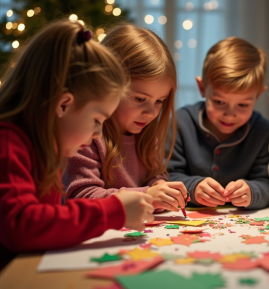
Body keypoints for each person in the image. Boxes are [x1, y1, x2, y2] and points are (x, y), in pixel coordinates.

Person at [0, 20, 154, 281]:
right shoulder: (4, 142)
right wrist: (114, 210)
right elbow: (22, 226)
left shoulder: (46, 147)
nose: (98, 133)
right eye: (97, 120)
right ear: (63, 105)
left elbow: (49, 223)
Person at [64, 24, 186, 213]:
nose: (151, 113)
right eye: (140, 99)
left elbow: (154, 176)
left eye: (159, 101)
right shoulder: (87, 136)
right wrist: (148, 195)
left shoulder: (146, 132)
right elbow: (82, 196)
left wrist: (161, 186)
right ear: (109, 86)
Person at [167, 37, 269, 209]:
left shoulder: (262, 131)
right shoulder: (180, 123)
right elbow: (166, 177)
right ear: (202, 88)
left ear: (258, 95)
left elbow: (267, 184)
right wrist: (193, 188)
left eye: (243, 105)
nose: (230, 115)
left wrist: (252, 192)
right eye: (219, 102)